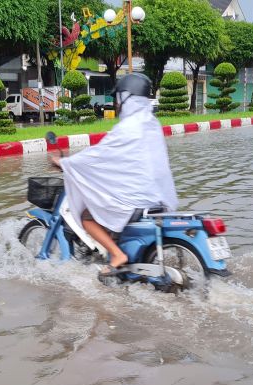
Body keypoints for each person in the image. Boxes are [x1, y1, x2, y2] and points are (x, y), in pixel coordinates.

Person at [50, 73, 178, 276]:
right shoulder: (152, 125)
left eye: (117, 99)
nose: (116, 105)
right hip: (157, 198)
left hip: (136, 200)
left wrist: (64, 163)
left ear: (125, 98)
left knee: (86, 217)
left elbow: (97, 156)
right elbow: (121, 163)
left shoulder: (127, 128)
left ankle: (117, 255)